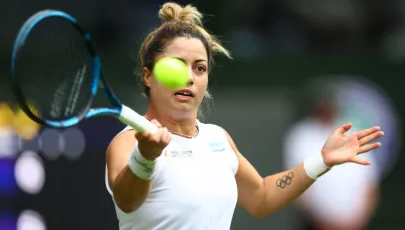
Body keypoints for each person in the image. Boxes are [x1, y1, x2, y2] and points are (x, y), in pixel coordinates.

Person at [105, 2, 384, 230]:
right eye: (177, 65)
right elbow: (127, 202)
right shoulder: (129, 143)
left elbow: (261, 196)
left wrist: (321, 161)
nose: (189, 77)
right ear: (148, 76)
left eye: (200, 68)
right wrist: (146, 156)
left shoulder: (217, 138)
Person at [283, 78, 381, 230]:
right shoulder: (301, 134)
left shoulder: (354, 133)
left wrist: (359, 221)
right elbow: (296, 184)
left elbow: (370, 185)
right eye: (324, 102)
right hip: (315, 224)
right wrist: (322, 221)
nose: (327, 107)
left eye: (331, 102)